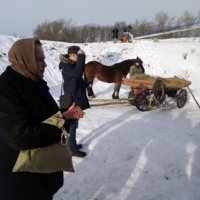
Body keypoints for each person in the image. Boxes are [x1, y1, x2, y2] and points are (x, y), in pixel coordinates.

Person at [0, 38, 75, 200]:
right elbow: (20, 136)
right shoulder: (5, 89)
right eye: (39, 60)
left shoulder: (34, 81)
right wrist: (64, 121)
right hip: (23, 183)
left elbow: (47, 115)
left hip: (42, 175)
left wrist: (65, 111)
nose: (45, 64)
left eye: (44, 59)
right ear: (25, 59)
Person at [59, 46, 90, 157]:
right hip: (71, 101)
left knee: (74, 124)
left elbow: (78, 79)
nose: (79, 58)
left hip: (75, 98)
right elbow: (77, 73)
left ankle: (73, 144)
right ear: (72, 55)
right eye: (77, 56)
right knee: (72, 125)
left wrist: (86, 84)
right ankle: (72, 149)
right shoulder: (67, 67)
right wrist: (82, 56)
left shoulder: (71, 66)